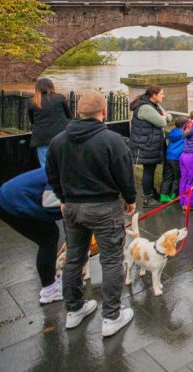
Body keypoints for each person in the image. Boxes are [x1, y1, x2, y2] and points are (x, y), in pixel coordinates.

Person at [46, 89, 137, 337]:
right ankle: (112, 316)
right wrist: (130, 200)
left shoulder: (58, 141)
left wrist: (64, 199)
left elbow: (52, 175)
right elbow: (124, 175)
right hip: (104, 208)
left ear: (78, 112)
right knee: (111, 260)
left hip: (72, 208)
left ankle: (74, 311)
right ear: (104, 112)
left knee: (75, 258)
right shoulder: (112, 140)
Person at [0, 168, 64, 304]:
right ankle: (50, 291)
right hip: (11, 203)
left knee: (49, 235)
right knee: (48, 238)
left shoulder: (64, 163)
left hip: (7, 198)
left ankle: (49, 285)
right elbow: (50, 203)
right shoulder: (68, 172)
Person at [129, 86, 172, 208]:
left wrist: (164, 116)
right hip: (146, 144)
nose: (163, 96)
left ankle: (151, 193)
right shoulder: (145, 107)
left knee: (151, 169)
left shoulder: (154, 105)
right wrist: (164, 117)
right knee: (148, 170)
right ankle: (148, 198)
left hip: (150, 143)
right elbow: (162, 122)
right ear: (154, 94)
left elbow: (168, 117)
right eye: (161, 94)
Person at [28, 78, 71, 167]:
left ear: (37, 88)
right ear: (51, 87)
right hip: (60, 137)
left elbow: (32, 121)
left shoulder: (32, 102)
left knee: (45, 167)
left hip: (41, 139)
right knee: (63, 165)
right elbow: (68, 116)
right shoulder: (60, 98)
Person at [159, 116, 187, 203]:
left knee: (167, 177)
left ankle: (163, 196)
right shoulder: (184, 133)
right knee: (177, 177)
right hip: (177, 158)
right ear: (185, 125)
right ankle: (173, 196)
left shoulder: (173, 131)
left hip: (168, 157)